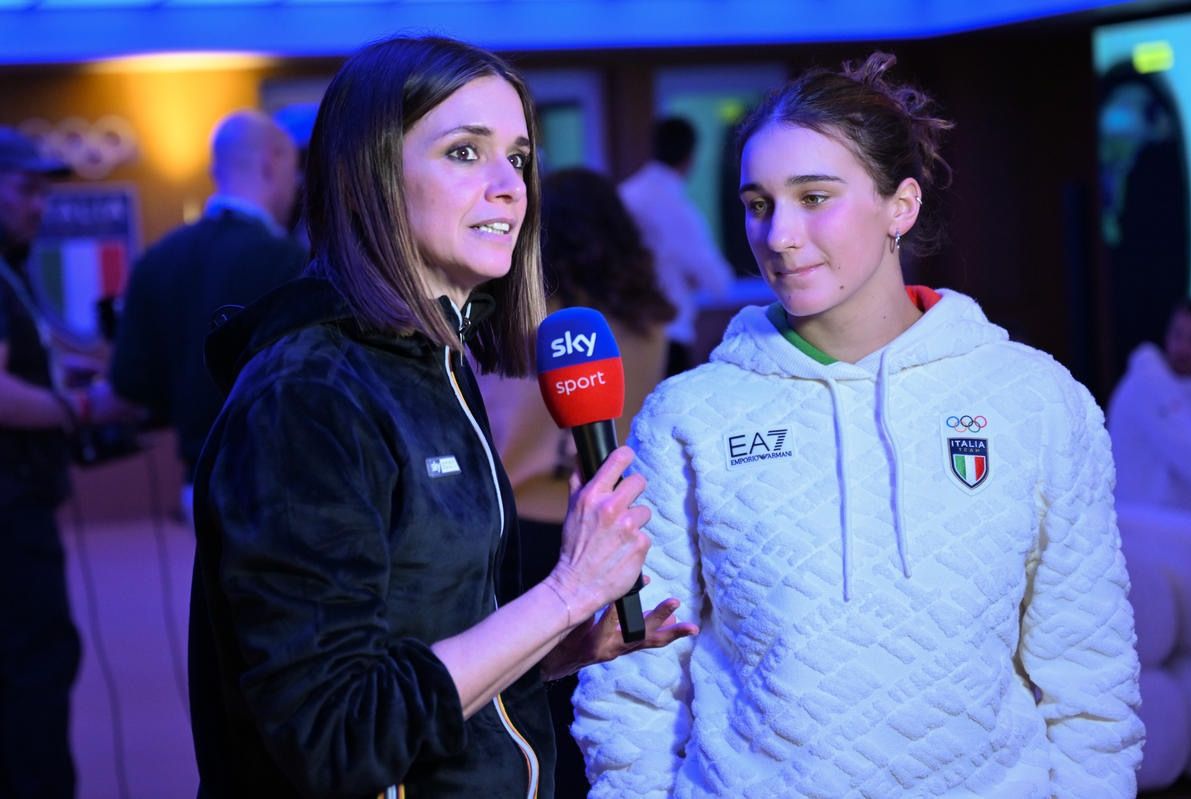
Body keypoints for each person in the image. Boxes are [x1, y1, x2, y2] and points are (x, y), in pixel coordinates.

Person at [573, 53, 1144, 798]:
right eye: (758, 204)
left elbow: (1090, 674)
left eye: (814, 197)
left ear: (899, 206)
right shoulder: (688, 415)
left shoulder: (1036, 400)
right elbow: (632, 685)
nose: (779, 234)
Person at [187, 35, 696, 798]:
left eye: (518, 158)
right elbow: (337, 735)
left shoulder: (436, 365)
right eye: (464, 152)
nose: (510, 187)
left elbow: (421, 655)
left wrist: (554, 646)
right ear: (369, 176)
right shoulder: (308, 395)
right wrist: (563, 591)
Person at [476, 166, 676, 797]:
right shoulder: (647, 324)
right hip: (611, 529)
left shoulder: (519, 326)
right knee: (593, 706)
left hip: (518, 532)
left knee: (519, 703)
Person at [106, 109, 306, 521]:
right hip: (285, 486)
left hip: (199, 487)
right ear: (271, 163)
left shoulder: (156, 261)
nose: (298, 184)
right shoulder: (293, 263)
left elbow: (131, 385)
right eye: (295, 169)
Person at [0, 125, 80, 799]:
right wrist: (78, 409)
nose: (39, 206)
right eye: (26, 189)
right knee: (33, 671)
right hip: (10, 515)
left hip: (20, 506)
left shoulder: (13, 270)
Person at [620, 116, 735, 375]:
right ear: (690, 157)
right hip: (669, 332)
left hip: (625, 332)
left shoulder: (624, 195)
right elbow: (717, 281)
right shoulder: (676, 209)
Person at [1107, 299, 1191, 512]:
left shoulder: (1182, 390)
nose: (1183, 348)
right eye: (1177, 335)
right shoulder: (1149, 383)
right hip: (1142, 523)